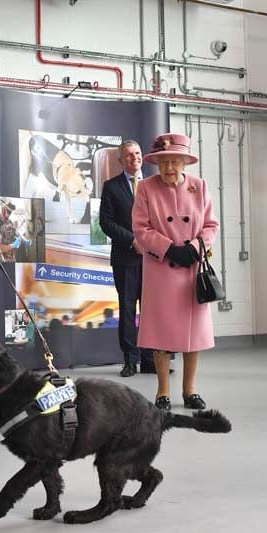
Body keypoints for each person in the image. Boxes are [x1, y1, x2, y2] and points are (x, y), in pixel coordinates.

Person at [132, 133, 219, 411]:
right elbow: (141, 228)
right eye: (164, 162)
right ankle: (163, 392)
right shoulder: (145, 188)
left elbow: (211, 225)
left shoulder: (200, 186)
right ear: (157, 163)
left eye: (174, 161)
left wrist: (196, 247)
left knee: (192, 336)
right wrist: (169, 249)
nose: (169, 167)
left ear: (184, 162)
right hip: (161, 269)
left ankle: (190, 391)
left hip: (192, 268)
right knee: (161, 334)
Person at [99, 140, 155, 377]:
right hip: (125, 258)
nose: (135, 159)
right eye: (129, 156)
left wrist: (151, 242)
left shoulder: (153, 185)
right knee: (128, 310)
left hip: (152, 259)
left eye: (138, 154)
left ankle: (150, 360)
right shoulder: (111, 187)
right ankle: (130, 361)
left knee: (152, 310)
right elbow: (106, 222)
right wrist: (133, 240)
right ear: (121, 160)